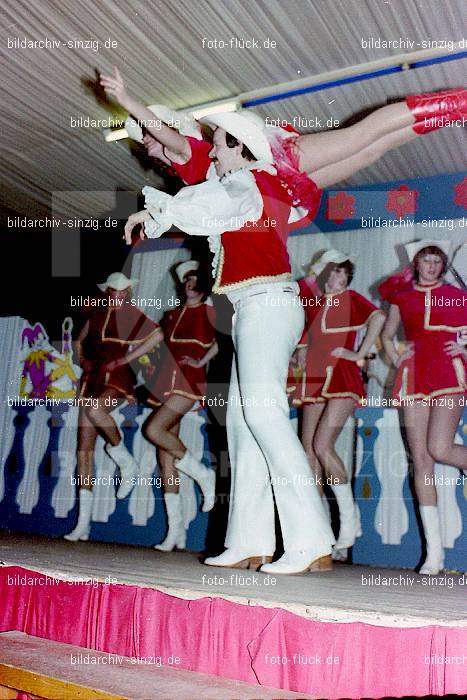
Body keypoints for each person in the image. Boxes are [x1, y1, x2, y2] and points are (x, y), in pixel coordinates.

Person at [121, 109, 336, 575]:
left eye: (220, 144)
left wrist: (157, 210)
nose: (213, 151)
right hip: (253, 310)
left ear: (242, 148)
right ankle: (249, 538)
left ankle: (311, 538)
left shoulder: (250, 182)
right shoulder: (243, 186)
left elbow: (200, 205)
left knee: (263, 416)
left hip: (267, 306)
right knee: (242, 426)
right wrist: (162, 210)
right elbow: (204, 201)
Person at [100, 67, 465, 197]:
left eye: (143, 134)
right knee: (369, 152)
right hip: (280, 187)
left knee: (360, 136)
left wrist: (128, 100)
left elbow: (162, 132)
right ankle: (450, 115)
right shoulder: (185, 166)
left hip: (278, 163)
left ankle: (459, 103)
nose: (144, 141)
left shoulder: (187, 151)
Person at [380, 240, 467, 575]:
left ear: (442, 265)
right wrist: (396, 354)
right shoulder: (402, 298)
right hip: (414, 373)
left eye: (436, 260)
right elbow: (388, 334)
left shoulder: (457, 295)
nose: (431, 265)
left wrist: (463, 351)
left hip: (447, 370)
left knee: (440, 448)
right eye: (425, 260)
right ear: (415, 263)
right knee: (421, 459)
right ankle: (434, 554)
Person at [292, 250, 385, 559]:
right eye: (332, 272)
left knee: (322, 446)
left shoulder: (353, 299)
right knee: (307, 451)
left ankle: (349, 522)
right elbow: (303, 335)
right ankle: (317, 528)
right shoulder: (314, 302)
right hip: (314, 376)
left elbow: (379, 318)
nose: (337, 278)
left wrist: (359, 354)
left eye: (342, 273)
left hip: (343, 376)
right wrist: (301, 351)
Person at [65, 273, 163, 541]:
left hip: (117, 376)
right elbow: (78, 339)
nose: (118, 296)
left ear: (129, 292)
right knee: (83, 452)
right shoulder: (97, 313)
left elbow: (157, 335)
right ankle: (82, 524)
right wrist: (82, 357)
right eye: (114, 291)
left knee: (97, 410)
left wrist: (126, 359)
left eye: (123, 292)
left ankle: (124, 459)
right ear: (107, 291)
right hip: (92, 376)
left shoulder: (131, 314)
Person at [143, 260, 218, 551]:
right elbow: (155, 340)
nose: (189, 284)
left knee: (154, 429)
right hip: (166, 377)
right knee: (165, 457)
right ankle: (175, 532)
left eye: (194, 279)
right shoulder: (172, 314)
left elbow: (223, 341)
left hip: (190, 379)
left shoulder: (211, 312)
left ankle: (203, 474)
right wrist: (128, 358)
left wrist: (201, 361)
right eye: (186, 279)